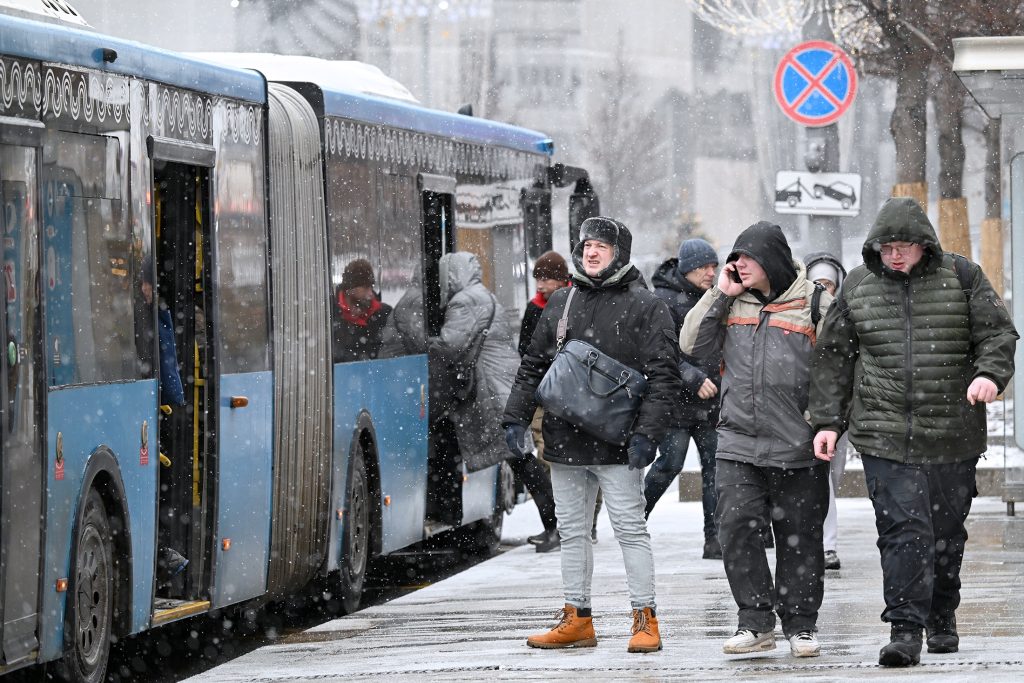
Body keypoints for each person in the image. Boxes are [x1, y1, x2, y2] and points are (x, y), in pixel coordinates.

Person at [810, 197, 1018, 667]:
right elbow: (833, 360)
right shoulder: (859, 286)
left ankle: (942, 614)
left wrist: (989, 374)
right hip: (883, 433)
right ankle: (905, 628)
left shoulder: (962, 277)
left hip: (953, 430)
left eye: (904, 246)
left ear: (924, 244)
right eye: (886, 247)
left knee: (946, 533)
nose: (895, 255)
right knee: (904, 531)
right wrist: (826, 421)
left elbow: (998, 334)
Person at [503, 216, 681, 653]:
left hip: (619, 443)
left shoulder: (647, 306)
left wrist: (647, 435)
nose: (592, 251)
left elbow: (664, 377)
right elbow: (533, 366)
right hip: (565, 439)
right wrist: (515, 418)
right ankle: (577, 617)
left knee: (629, 529)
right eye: (586, 244)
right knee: (572, 531)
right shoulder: (562, 302)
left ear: (619, 252)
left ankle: (645, 618)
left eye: (602, 245)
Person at [680, 221, 831, 658]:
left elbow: (836, 369)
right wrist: (720, 293)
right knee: (736, 530)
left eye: (746, 257)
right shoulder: (730, 301)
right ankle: (755, 621)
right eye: (735, 257)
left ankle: (800, 625)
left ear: (772, 260)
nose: (736, 264)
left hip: (796, 443)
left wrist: (824, 423)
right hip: (739, 442)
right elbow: (693, 345)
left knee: (799, 537)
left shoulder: (814, 302)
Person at [430, 251, 558, 552]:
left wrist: (425, 342)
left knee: (523, 461)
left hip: (494, 392)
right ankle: (557, 525)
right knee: (522, 461)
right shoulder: (483, 295)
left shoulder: (465, 301)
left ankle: (557, 526)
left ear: (452, 275)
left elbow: (451, 345)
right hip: (503, 387)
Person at [645, 237, 722, 560]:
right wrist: (692, 377)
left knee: (714, 470)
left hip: (711, 403)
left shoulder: (717, 297)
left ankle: (714, 539)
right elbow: (660, 351)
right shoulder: (661, 300)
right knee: (670, 463)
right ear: (688, 268)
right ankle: (635, 520)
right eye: (705, 266)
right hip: (676, 403)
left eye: (714, 266)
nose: (711, 272)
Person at [519, 251, 603, 547]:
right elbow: (526, 353)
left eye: (546, 279)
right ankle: (559, 521)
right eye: (538, 279)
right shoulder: (534, 309)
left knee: (588, 460)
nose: (540, 285)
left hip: (577, 393)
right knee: (545, 458)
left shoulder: (575, 302)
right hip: (545, 393)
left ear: (562, 278)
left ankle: (586, 523)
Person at [804, 251, 848, 572]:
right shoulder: (800, 314)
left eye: (829, 284)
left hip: (839, 411)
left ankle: (826, 542)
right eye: (817, 283)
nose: (824, 289)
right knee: (820, 479)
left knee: (832, 476)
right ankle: (824, 544)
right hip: (807, 410)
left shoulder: (846, 316)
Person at [333, 258, 392, 363]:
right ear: (350, 289)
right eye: (365, 287)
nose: (371, 294)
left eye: (371, 287)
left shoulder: (384, 313)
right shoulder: (330, 316)